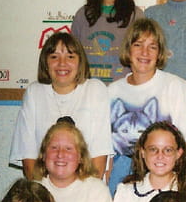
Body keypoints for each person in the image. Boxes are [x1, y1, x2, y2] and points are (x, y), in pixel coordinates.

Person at [107, 18, 186, 195]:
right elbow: (106, 149)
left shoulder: (176, 87)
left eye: (152, 47)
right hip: (120, 179)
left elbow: (185, 144)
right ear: (128, 50)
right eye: (138, 45)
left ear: (160, 53)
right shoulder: (111, 91)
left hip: (164, 176)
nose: (144, 52)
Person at [9, 31, 112, 181]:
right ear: (45, 63)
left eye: (70, 56)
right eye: (54, 57)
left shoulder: (95, 90)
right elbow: (29, 160)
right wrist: (44, 194)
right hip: (44, 189)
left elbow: (99, 160)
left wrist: (82, 192)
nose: (62, 63)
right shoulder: (34, 93)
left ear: (80, 62)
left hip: (87, 187)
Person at [71, 0, 144, 82]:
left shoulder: (136, 16)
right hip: (88, 91)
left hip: (123, 92)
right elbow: (73, 59)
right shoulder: (82, 15)